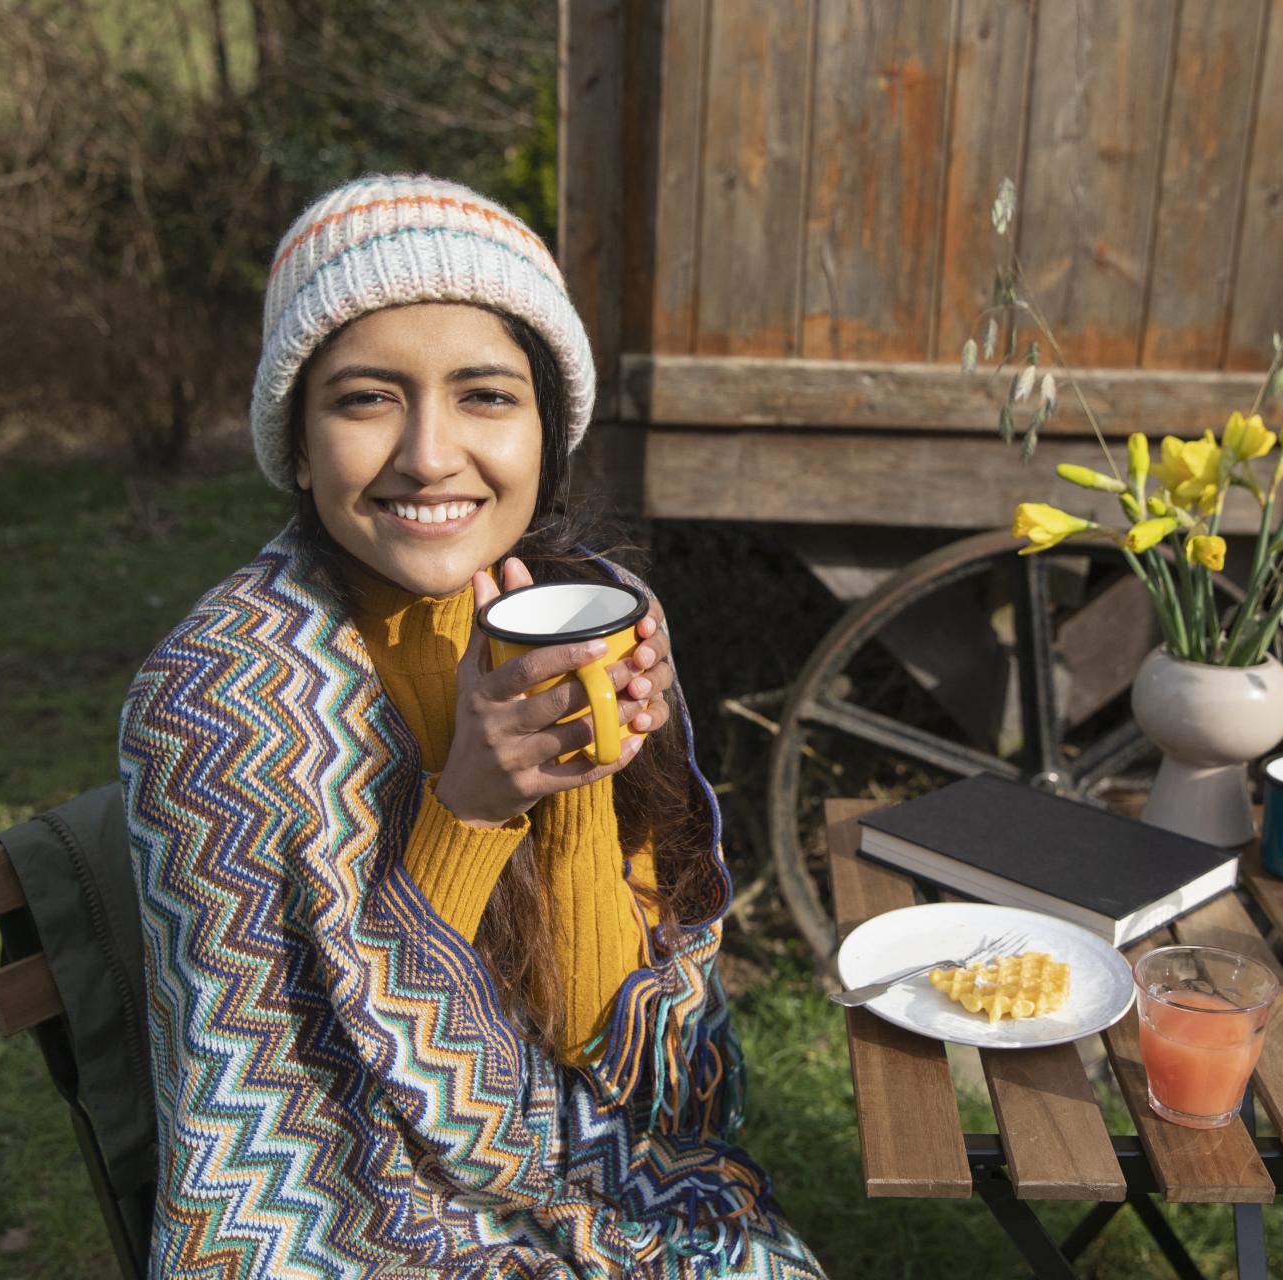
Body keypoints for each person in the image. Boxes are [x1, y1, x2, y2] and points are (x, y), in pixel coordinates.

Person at [119, 174, 826, 1278]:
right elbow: (297, 1113)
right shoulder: (216, 703)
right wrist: (471, 807)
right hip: (360, 1225)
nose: (430, 454)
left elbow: (613, 1058)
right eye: (366, 399)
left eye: (487, 395)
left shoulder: (591, 610)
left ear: (548, 427)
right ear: (298, 442)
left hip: (588, 1175)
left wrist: (584, 778)